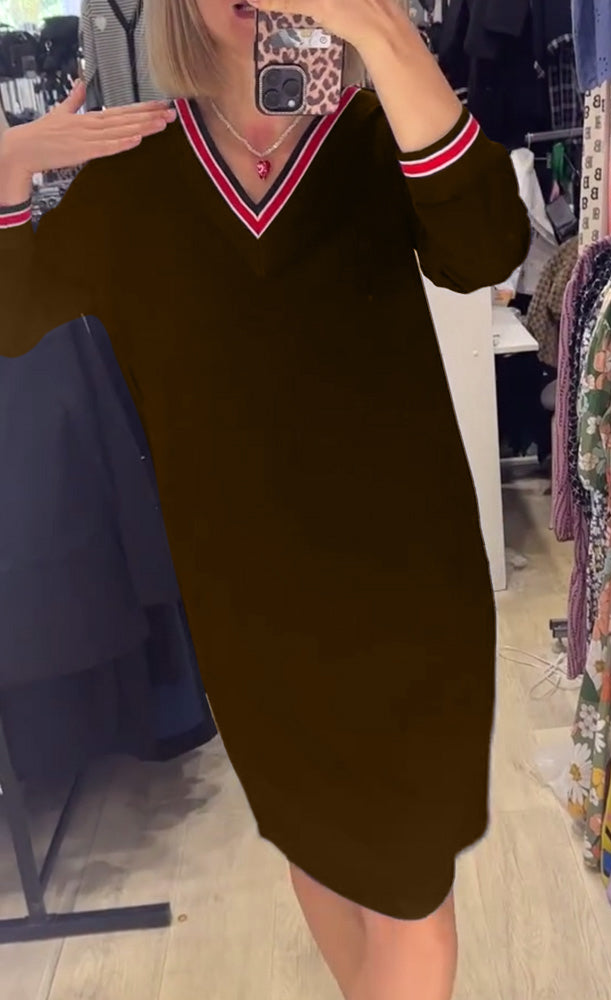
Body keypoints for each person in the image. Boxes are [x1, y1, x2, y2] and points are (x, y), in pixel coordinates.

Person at [0, 1, 529, 997]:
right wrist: (11, 165)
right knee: (315, 850)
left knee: (413, 896)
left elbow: (488, 247)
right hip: (249, 620)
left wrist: (387, 37)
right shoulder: (133, 177)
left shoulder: (377, 135)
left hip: (408, 603)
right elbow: (15, 310)